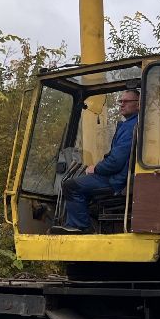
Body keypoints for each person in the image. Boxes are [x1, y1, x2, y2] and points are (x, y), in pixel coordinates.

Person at [59, 87, 140, 232]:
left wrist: (96, 168)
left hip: (115, 180)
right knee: (82, 187)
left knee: (70, 186)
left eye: (126, 101)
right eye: (121, 101)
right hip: (119, 177)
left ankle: (80, 228)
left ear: (138, 104)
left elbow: (115, 162)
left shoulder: (130, 127)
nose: (122, 104)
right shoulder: (133, 124)